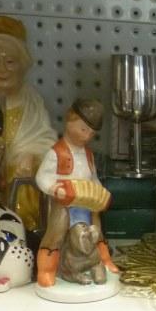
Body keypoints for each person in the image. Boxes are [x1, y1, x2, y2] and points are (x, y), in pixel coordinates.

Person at [0, 15, 57, 230]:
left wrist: (31, 155)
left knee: (27, 191)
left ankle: (24, 232)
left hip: (20, 174)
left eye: (10, 62)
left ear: (22, 65)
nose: (2, 69)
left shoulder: (31, 99)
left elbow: (45, 136)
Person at [35, 98, 118, 287]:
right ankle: (47, 270)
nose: (87, 136)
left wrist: (99, 191)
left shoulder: (88, 154)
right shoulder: (56, 153)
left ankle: (104, 260)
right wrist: (54, 189)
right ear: (69, 120)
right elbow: (42, 177)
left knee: (97, 232)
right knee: (55, 236)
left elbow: (93, 177)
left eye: (92, 133)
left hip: (86, 204)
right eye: (83, 129)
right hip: (63, 204)